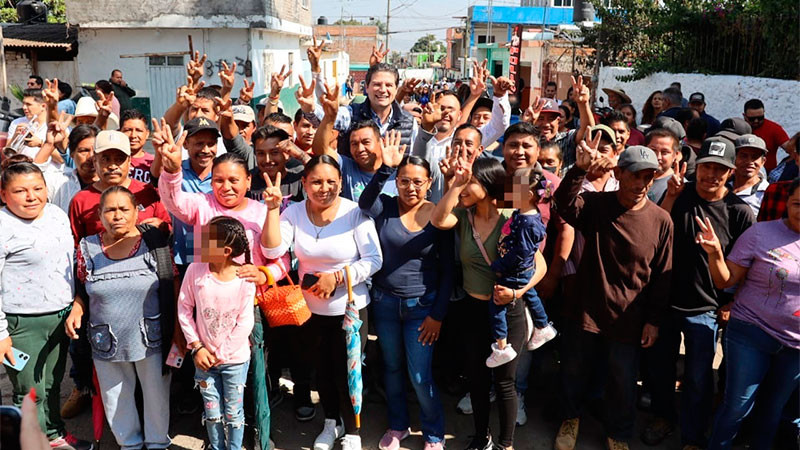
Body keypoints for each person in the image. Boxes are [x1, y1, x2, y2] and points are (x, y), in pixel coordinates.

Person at [553, 142, 673, 450]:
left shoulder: (661, 220)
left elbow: (662, 275)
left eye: (648, 177)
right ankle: (569, 419)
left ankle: (618, 434)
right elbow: (564, 204)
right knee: (574, 369)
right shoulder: (595, 205)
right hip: (586, 308)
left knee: (622, 380)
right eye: (634, 175)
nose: (641, 184)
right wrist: (578, 170)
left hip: (629, 318)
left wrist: (654, 320)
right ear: (618, 173)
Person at [262, 155, 383, 450]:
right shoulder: (293, 213)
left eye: (331, 181)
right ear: (304, 183)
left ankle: (353, 430)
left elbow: (374, 260)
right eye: (316, 181)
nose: (324, 188)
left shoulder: (355, 213)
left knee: (348, 372)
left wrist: (338, 278)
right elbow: (273, 248)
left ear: (341, 183)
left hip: (350, 311)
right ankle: (331, 422)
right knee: (322, 371)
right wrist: (273, 211)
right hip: (309, 310)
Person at [646, 137, 756, 448]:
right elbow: (656, 232)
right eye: (707, 166)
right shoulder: (679, 195)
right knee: (660, 369)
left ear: (731, 172)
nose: (712, 175)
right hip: (666, 302)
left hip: (706, 308)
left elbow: (748, 264)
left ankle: (693, 435)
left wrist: (732, 300)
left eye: (720, 169)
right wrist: (669, 197)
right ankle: (662, 417)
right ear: (697, 167)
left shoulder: (739, 211)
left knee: (698, 378)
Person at [432, 154, 543, 450]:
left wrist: (517, 293)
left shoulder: (512, 218)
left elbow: (539, 266)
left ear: (488, 183)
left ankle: (506, 445)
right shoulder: (463, 217)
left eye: (470, 182)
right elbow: (438, 219)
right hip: (472, 310)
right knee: (477, 381)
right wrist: (455, 184)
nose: (464, 188)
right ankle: (482, 438)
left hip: (509, 312)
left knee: (505, 383)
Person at [65, 186, 178, 450]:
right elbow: (83, 289)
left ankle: (158, 443)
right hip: (105, 337)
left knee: (156, 394)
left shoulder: (155, 242)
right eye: (110, 210)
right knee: (115, 396)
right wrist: (77, 308)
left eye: (124, 209)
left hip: (151, 335)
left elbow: (173, 283)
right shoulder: (87, 247)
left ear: (136, 211)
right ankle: (129, 444)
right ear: (100, 215)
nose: (118, 215)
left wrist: (177, 332)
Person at [358, 142, 453, 450]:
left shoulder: (440, 215)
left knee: (419, 374)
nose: (411, 187)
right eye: (404, 180)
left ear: (429, 183)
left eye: (418, 181)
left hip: (422, 308)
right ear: (396, 181)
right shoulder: (384, 206)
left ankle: (434, 433)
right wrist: (384, 167)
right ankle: (397, 425)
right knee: (392, 368)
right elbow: (363, 203)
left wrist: (437, 315)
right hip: (385, 304)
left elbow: (448, 270)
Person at [698, 179, 800, 450]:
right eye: (797, 204)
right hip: (752, 332)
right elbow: (725, 280)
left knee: (772, 411)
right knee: (737, 406)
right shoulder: (761, 234)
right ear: (787, 203)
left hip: (796, 347)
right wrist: (715, 253)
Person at [0, 161, 93, 450]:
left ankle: (54, 435)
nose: (32, 196)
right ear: (3, 194)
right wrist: (1, 333)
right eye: (20, 191)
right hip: (22, 323)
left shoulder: (55, 215)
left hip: (61, 316)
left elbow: (69, 264)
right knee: (29, 391)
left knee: (52, 384)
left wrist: (76, 304)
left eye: (38, 188)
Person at [178, 216, 257, 450]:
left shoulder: (244, 279)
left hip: (234, 361)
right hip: (203, 360)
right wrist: (197, 347)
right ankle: (215, 446)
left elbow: (245, 322)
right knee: (211, 411)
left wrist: (220, 354)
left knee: (234, 413)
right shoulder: (195, 270)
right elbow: (184, 308)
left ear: (226, 250)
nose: (198, 243)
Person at [486, 166, 556, 368]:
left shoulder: (528, 222)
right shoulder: (523, 213)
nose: (509, 193)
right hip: (521, 270)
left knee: (497, 303)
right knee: (531, 294)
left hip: (514, 271)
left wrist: (500, 265)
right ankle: (543, 326)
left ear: (529, 194)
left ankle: (502, 346)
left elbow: (521, 253)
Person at [68, 130, 171, 246]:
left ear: (129, 161)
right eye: (105, 159)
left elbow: (169, 229)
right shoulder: (80, 201)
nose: (112, 166)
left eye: (119, 159)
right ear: (95, 160)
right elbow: (76, 245)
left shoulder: (147, 191)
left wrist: (162, 227)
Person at [300, 63, 417, 154]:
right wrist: (310, 109)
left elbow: (414, 159)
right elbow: (327, 119)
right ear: (366, 87)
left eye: (389, 85)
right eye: (377, 84)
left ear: (396, 88)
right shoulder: (352, 114)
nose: (382, 90)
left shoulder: (409, 122)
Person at [50, 125, 100, 212]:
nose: (91, 157)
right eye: (84, 151)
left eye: (96, 151)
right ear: (72, 153)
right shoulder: (59, 182)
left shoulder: (113, 185)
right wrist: (48, 144)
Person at [743, 99, 790, 171]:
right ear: (744, 116)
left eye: (760, 118)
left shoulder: (774, 129)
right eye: (752, 119)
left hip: (768, 174)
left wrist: (780, 170)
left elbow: (792, 150)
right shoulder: (739, 128)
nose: (756, 121)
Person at [729, 134, 769, 216]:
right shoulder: (721, 185)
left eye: (755, 157)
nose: (749, 162)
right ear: (733, 158)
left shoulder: (767, 193)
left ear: (763, 161)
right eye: (743, 156)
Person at [6, 89, 48, 160]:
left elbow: (62, 159)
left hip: (47, 170)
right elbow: (8, 154)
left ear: (43, 106)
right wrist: (15, 137)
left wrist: (40, 144)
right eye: (23, 104)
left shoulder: (55, 126)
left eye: (28, 104)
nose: (24, 107)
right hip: (21, 168)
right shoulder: (16, 123)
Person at [645, 127, 682, 202]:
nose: (658, 157)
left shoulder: (679, 185)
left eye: (664, 152)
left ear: (676, 155)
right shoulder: (634, 177)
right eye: (653, 150)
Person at [120, 109, 153, 184]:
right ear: (119, 132)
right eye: (128, 130)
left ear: (147, 134)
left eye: (139, 130)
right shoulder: (111, 162)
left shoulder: (154, 163)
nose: (133, 135)